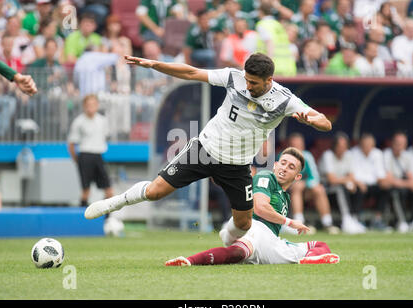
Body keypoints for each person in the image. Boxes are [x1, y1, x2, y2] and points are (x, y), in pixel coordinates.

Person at [85, 52, 331, 249]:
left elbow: (325, 122)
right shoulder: (234, 77)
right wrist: (154, 65)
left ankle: (227, 236)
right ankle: (113, 204)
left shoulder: (285, 100)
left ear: (269, 81)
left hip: (238, 165)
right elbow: (191, 72)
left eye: (253, 83)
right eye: (246, 79)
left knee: (244, 224)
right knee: (155, 191)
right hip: (205, 150)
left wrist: (310, 120)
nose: (247, 85)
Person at [165, 147, 340, 266]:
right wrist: (290, 222)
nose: (285, 168)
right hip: (255, 229)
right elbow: (260, 208)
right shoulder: (266, 177)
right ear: (275, 165)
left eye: (291, 167)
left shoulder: (285, 196)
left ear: (297, 177)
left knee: (321, 245)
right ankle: (190, 260)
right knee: (238, 251)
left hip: (270, 240)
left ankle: (309, 259)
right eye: (283, 163)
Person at [285, 133, 340, 234]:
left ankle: (327, 223)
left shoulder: (307, 156)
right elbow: (282, 179)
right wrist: (296, 183)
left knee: (318, 189)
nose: (297, 148)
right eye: (294, 145)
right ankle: (299, 223)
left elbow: (314, 176)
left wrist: (305, 184)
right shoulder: (283, 157)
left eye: (299, 145)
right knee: (297, 187)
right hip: (287, 192)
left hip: (305, 190)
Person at [67, 95, 114, 207]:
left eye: (93, 104)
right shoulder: (79, 122)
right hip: (85, 156)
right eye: (88, 105)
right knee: (86, 191)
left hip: (98, 156)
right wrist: (77, 160)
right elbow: (71, 144)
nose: (91, 107)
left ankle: (106, 218)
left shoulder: (102, 121)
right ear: (84, 106)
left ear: (97, 105)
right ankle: (83, 219)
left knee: (109, 191)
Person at [318, 131, 366, 234]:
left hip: (341, 186)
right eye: (340, 146)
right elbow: (332, 180)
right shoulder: (328, 155)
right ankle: (346, 219)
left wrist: (352, 182)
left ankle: (354, 218)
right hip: (326, 188)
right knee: (340, 188)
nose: (342, 148)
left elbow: (352, 175)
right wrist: (347, 181)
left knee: (358, 188)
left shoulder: (348, 155)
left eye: (344, 146)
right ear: (334, 146)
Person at [383, 131, 413, 233]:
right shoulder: (386, 155)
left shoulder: (407, 156)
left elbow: (412, 177)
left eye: (402, 144)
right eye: (397, 143)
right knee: (397, 191)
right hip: (392, 188)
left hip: (403, 185)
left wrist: (412, 184)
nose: (399, 146)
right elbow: (389, 179)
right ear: (392, 143)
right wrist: (407, 184)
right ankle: (402, 222)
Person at [350, 133, 392, 230]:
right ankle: (356, 220)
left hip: (373, 184)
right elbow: (351, 174)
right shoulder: (353, 153)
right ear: (360, 144)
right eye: (365, 144)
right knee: (358, 190)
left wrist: (386, 181)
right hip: (358, 184)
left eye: (370, 145)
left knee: (385, 189)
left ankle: (377, 219)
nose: (367, 147)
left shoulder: (377, 154)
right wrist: (359, 183)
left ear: (373, 145)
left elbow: (380, 175)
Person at [255, 2, 297, 76]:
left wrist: (268, 66)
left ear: (260, 11)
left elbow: (270, 43)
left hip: (274, 69)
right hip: (288, 68)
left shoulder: (263, 24)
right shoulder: (277, 24)